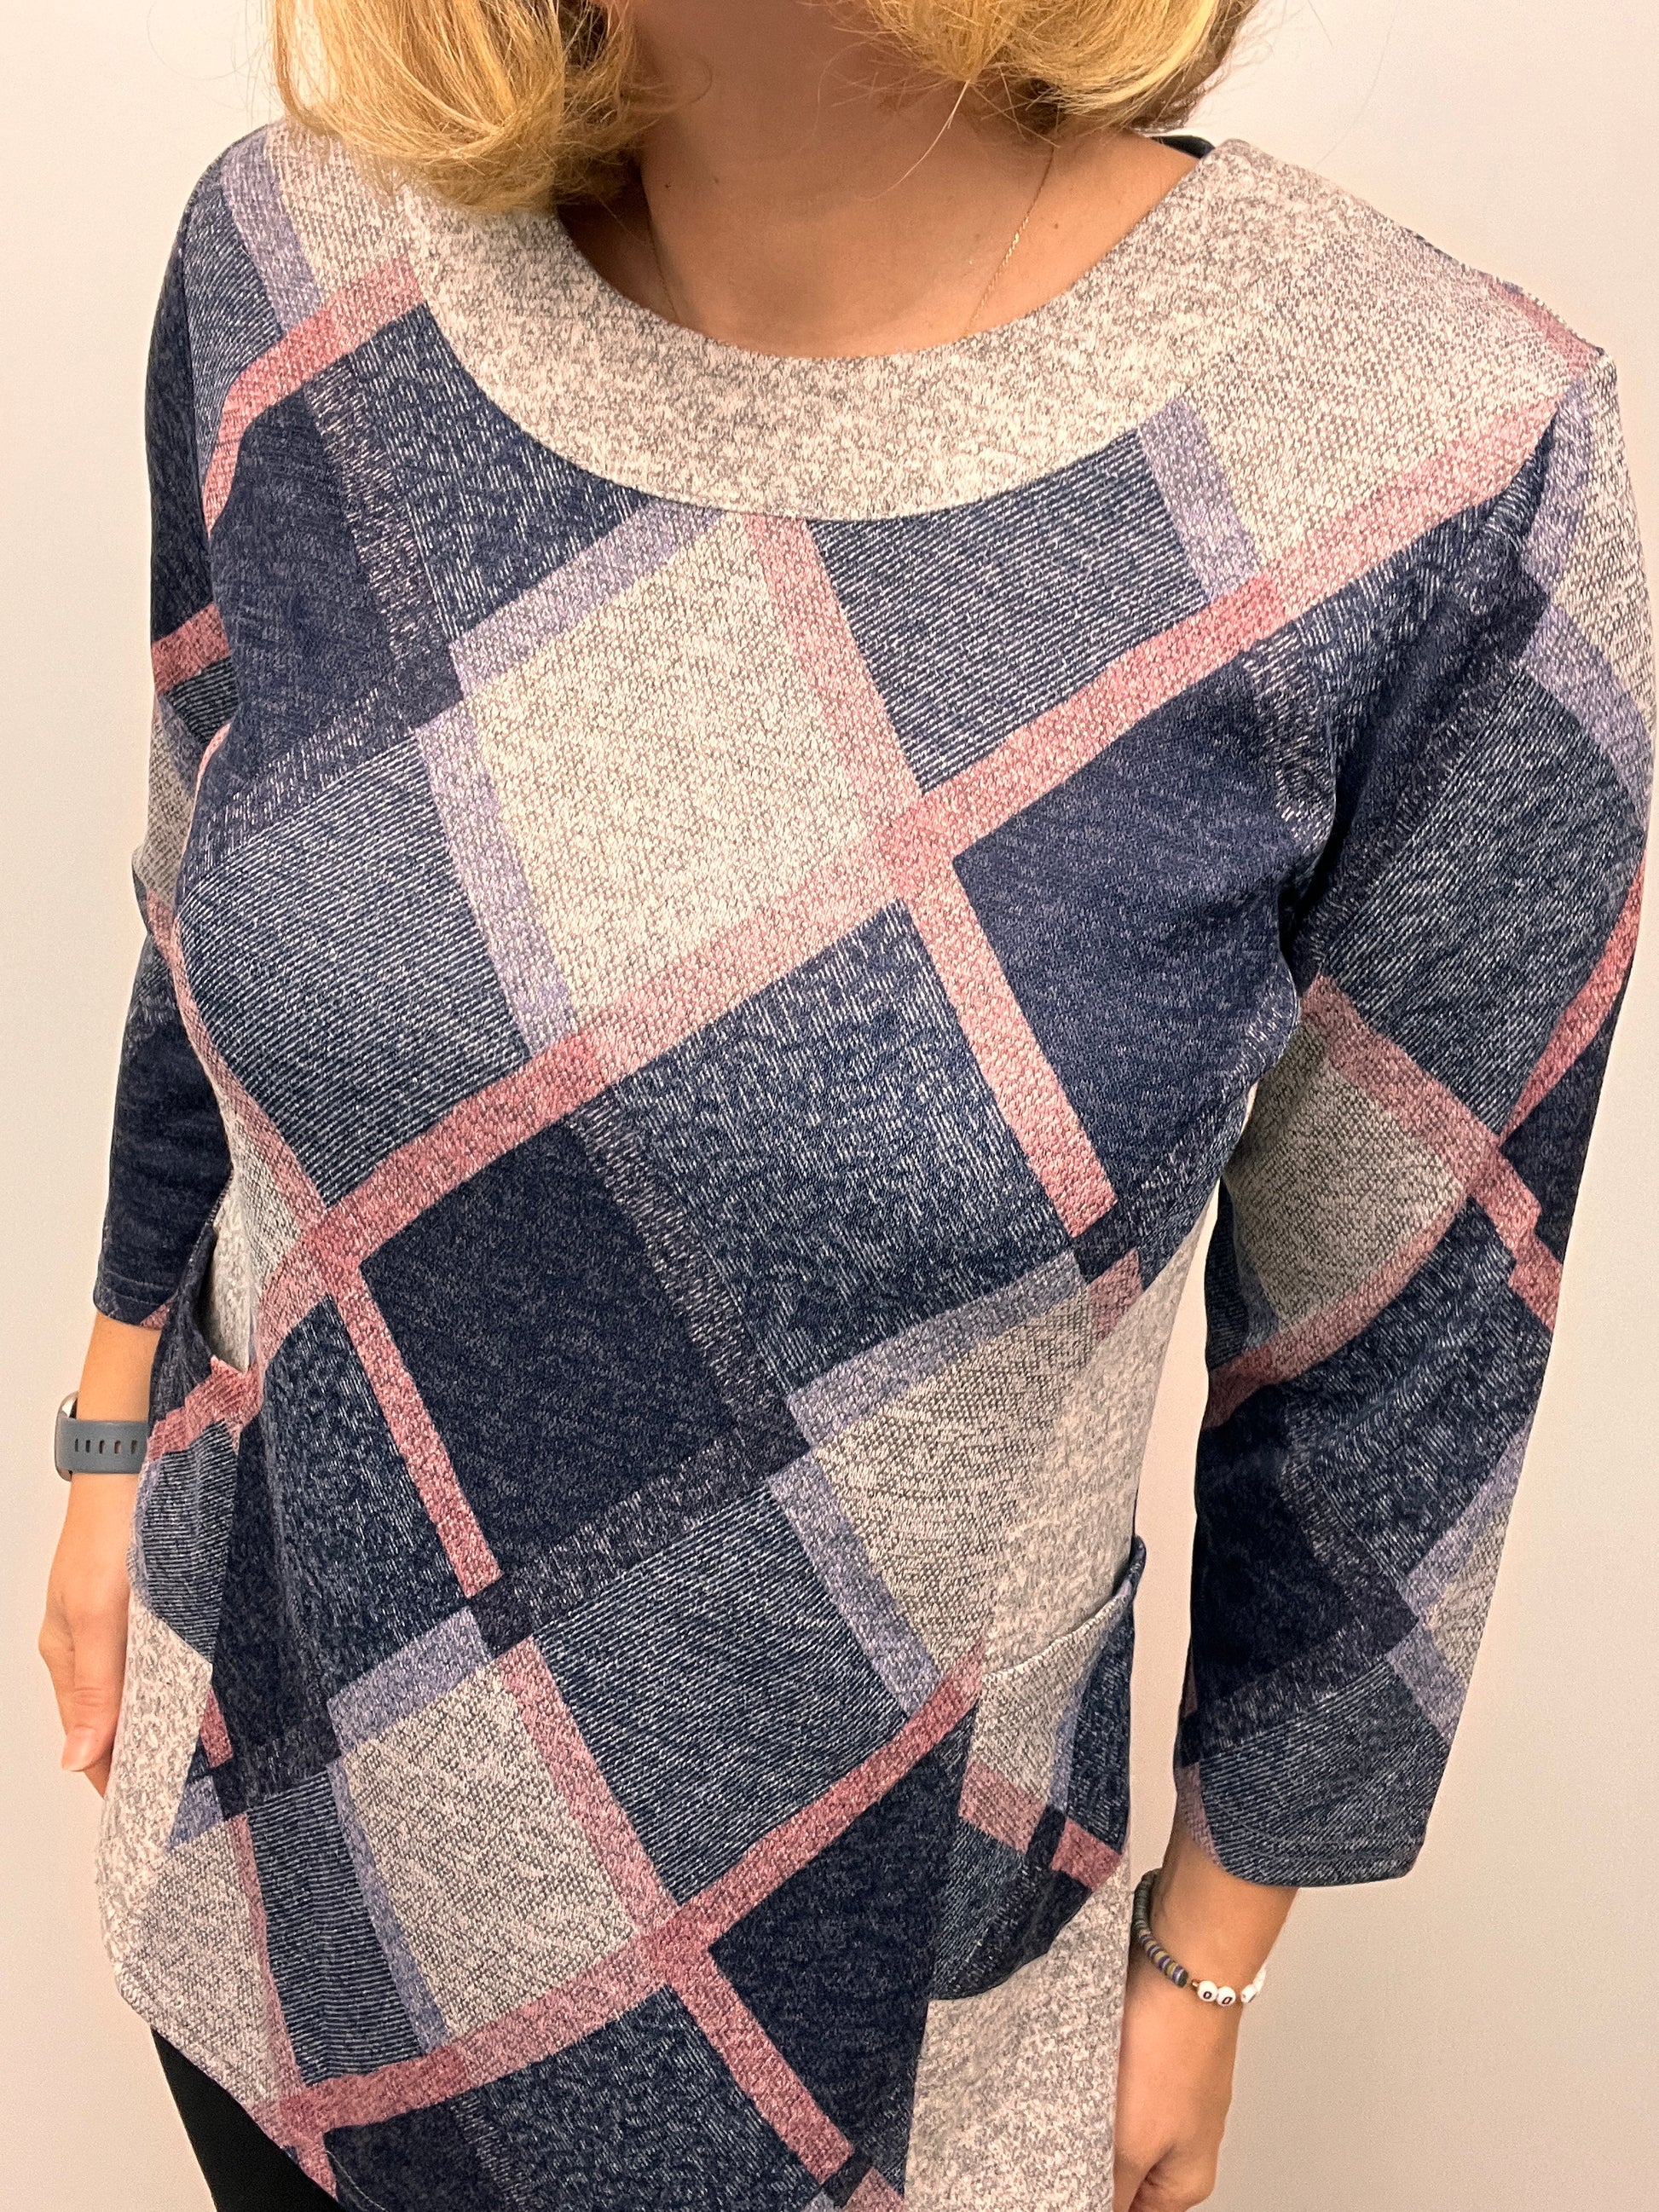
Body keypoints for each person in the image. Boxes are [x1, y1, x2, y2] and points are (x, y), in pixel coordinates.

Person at [37, 3, 1651, 2209]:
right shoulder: (290, 255)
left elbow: (1411, 1332)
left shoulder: (1438, 469)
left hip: (853, 2079)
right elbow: (191, 912)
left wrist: (1207, 1956)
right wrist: (109, 1430)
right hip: (264, 1895)